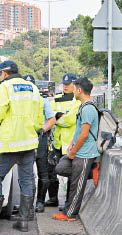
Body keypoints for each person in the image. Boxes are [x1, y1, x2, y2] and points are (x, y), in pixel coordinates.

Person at [0, 61, 44, 233]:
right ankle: (23, 221)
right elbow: (39, 115)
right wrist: (34, 130)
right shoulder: (32, 87)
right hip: (28, 142)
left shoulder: (4, 87)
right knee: (26, 180)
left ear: (4, 73)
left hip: (10, 142)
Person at [52, 77, 99, 221]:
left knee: (77, 185)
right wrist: (72, 144)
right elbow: (79, 131)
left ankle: (70, 213)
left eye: (74, 88)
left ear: (79, 90)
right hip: (78, 150)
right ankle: (89, 172)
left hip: (85, 152)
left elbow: (84, 134)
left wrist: (73, 151)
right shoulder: (82, 106)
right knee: (61, 168)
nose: (72, 91)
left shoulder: (89, 108)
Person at [45, 73, 81, 207]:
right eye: (64, 84)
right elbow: (49, 115)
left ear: (74, 84)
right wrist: (59, 116)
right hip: (56, 143)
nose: (65, 86)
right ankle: (53, 198)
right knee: (51, 172)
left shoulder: (77, 101)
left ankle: (68, 203)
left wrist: (56, 118)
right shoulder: (56, 99)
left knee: (71, 175)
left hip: (70, 144)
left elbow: (70, 120)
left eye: (68, 84)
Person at [23, 74, 56, 213]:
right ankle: (27, 204)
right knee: (26, 174)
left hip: (39, 138)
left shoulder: (42, 101)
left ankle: (40, 202)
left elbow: (52, 119)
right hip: (23, 138)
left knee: (43, 171)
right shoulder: (20, 102)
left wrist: (42, 130)